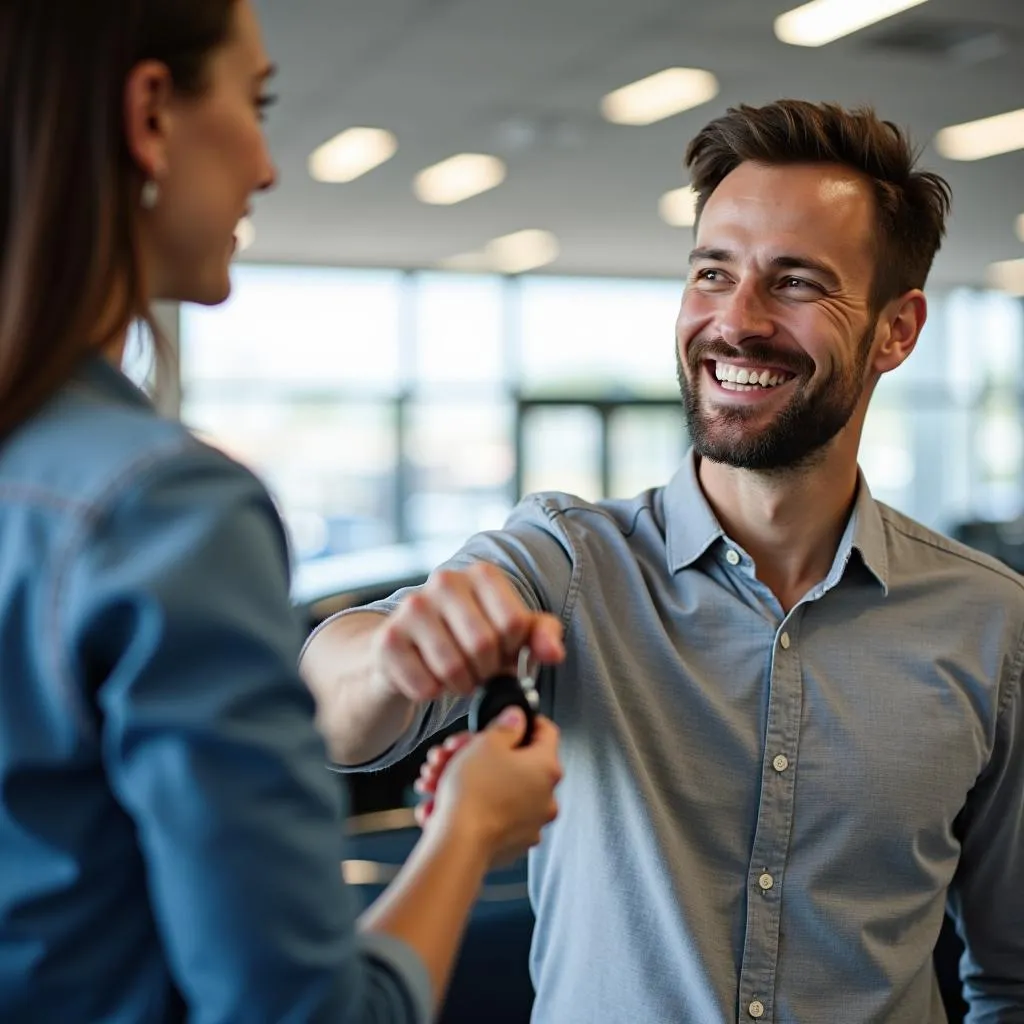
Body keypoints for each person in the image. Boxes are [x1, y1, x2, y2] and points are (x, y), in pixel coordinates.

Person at [302, 99, 1024, 1023]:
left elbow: (1010, 977)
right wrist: (399, 649)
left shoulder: (990, 626)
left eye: (796, 282)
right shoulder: (568, 562)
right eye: (712, 273)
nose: (737, 320)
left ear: (898, 329)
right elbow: (336, 711)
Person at [0, 2, 563, 1022]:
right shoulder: (160, 508)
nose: (264, 165)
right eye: (254, 106)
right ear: (150, 114)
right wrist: (469, 829)